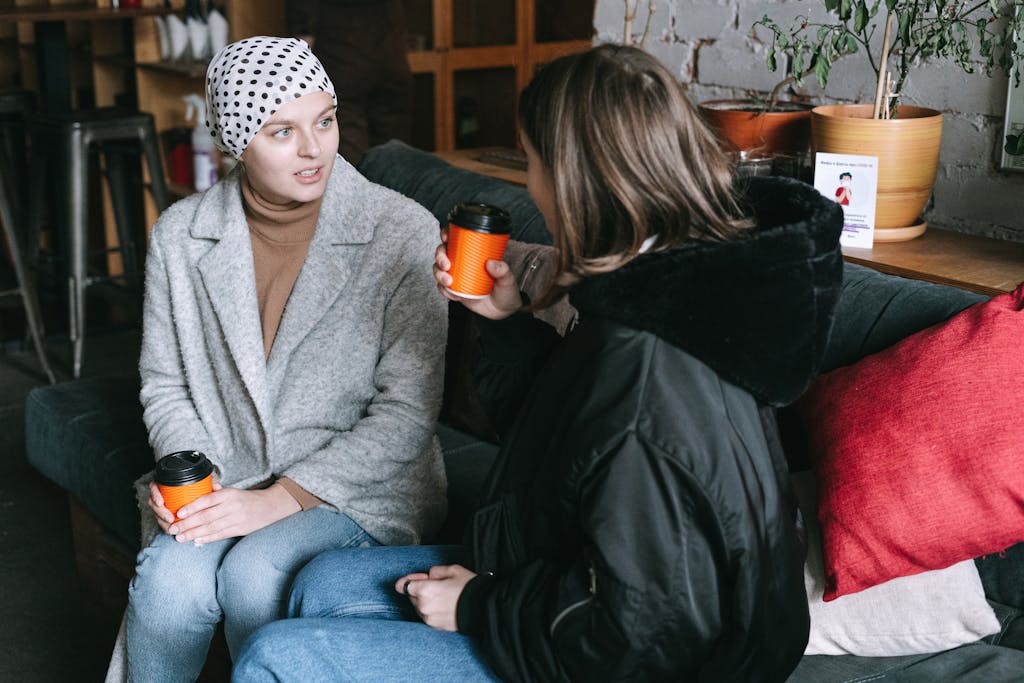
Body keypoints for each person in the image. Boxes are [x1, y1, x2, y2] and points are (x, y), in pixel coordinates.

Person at [234, 44, 845, 681]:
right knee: (325, 581)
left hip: (649, 659)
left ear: (574, 181)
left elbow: (640, 634)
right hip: (576, 572)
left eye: (531, 163)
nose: (528, 184)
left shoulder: (650, 370)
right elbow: (566, 443)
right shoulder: (665, 285)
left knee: (274, 660)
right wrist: (503, 322)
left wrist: (478, 605)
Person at [106, 36, 447, 682]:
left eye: (325, 120)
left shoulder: (402, 231)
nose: (316, 148)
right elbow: (164, 382)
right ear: (236, 141)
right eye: (282, 131)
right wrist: (199, 487)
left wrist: (278, 500)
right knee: (169, 586)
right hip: (226, 474)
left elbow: (405, 418)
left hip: (357, 490)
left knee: (253, 573)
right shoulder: (181, 235)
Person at [287, 0, 414, 166]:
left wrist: (302, 35)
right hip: (390, 37)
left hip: (340, 35)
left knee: (347, 137)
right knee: (393, 139)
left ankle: (357, 187)